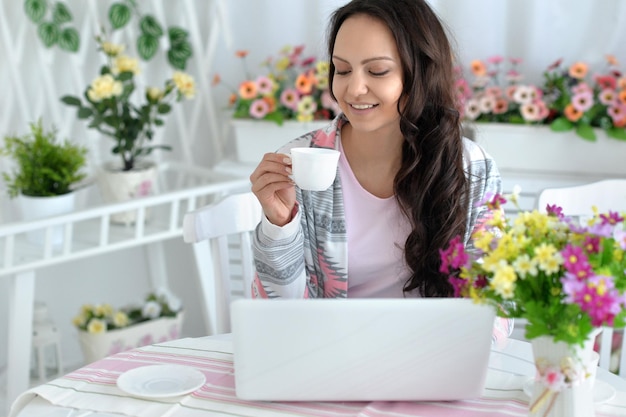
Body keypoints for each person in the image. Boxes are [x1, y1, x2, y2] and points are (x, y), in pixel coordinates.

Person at [249, 0, 510, 339]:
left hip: (434, 358)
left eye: (377, 71)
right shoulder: (298, 164)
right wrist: (278, 227)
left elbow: (496, 307)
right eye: (342, 70)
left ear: (419, 73)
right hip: (330, 359)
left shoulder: (471, 169)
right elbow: (276, 316)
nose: (353, 89)